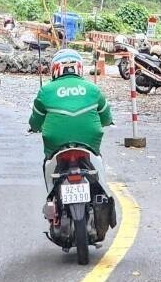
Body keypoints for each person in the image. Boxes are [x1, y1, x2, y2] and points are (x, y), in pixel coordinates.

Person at [29, 49, 115, 219]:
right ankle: (101, 191)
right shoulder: (93, 89)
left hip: (56, 144)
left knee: (48, 165)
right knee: (98, 162)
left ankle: (52, 198)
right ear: (79, 68)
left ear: (55, 69)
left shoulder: (46, 90)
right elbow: (106, 118)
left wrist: (34, 128)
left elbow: (35, 122)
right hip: (89, 142)